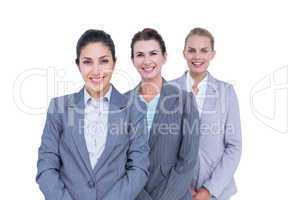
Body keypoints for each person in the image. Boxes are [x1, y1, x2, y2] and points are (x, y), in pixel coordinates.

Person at [36, 29, 149, 200]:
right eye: (87, 62)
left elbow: (139, 169)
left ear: (114, 63)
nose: (96, 71)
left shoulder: (134, 109)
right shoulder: (59, 108)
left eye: (104, 61)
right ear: (78, 64)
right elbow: (46, 167)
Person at [125, 28, 200, 200]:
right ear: (133, 60)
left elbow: (187, 161)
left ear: (164, 57)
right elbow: (117, 163)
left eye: (153, 53)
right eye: (140, 54)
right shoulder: (121, 104)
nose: (147, 60)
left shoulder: (185, 101)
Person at [170, 27, 242, 200]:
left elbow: (234, 146)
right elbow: (162, 147)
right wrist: (181, 188)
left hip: (217, 192)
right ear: (184, 53)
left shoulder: (226, 92)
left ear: (212, 54)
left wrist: (209, 190)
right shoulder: (168, 90)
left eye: (204, 50)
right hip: (174, 191)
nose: (197, 56)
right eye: (192, 50)